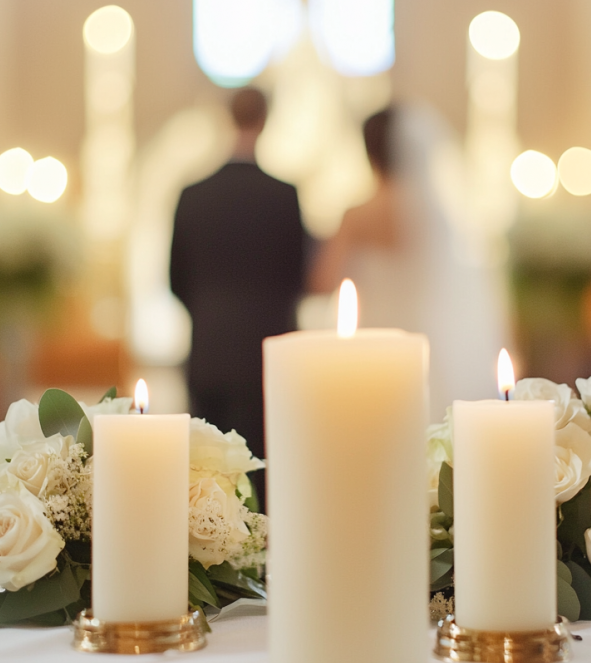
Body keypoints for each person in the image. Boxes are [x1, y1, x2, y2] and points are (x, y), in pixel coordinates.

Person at [311, 106, 504, 419]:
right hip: (430, 337)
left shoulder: (359, 214)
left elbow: (323, 282)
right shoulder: (440, 216)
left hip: (374, 342)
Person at [169, 88, 306, 508]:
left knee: (209, 476)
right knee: (264, 470)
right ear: (265, 121)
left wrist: (211, 315)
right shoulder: (284, 196)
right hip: (269, 354)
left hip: (210, 351)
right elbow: (298, 274)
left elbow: (174, 278)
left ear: (228, 119)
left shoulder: (193, 194)